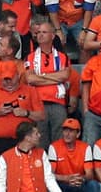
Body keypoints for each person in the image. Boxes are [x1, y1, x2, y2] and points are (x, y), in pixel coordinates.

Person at [25, 18, 71, 147]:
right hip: (38, 104)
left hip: (58, 103)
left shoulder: (62, 57)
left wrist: (41, 77)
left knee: (59, 142)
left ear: (53, 35)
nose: (40, 34)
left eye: (44, 32)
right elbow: (30, 79)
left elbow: (64, 76)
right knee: (40, 140)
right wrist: (54, 77)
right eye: (38, 32)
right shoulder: (30, 57)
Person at [50, 118, 98, 192]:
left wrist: (79, 179)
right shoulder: (53, 147)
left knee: (93, 184)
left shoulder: (86, 147)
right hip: (62, 183)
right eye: (65, 130)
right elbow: (50, 174)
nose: (67, 134)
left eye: (71, 131)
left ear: (78, 134)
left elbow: (90, 174)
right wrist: (66, 178)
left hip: (79, 182)